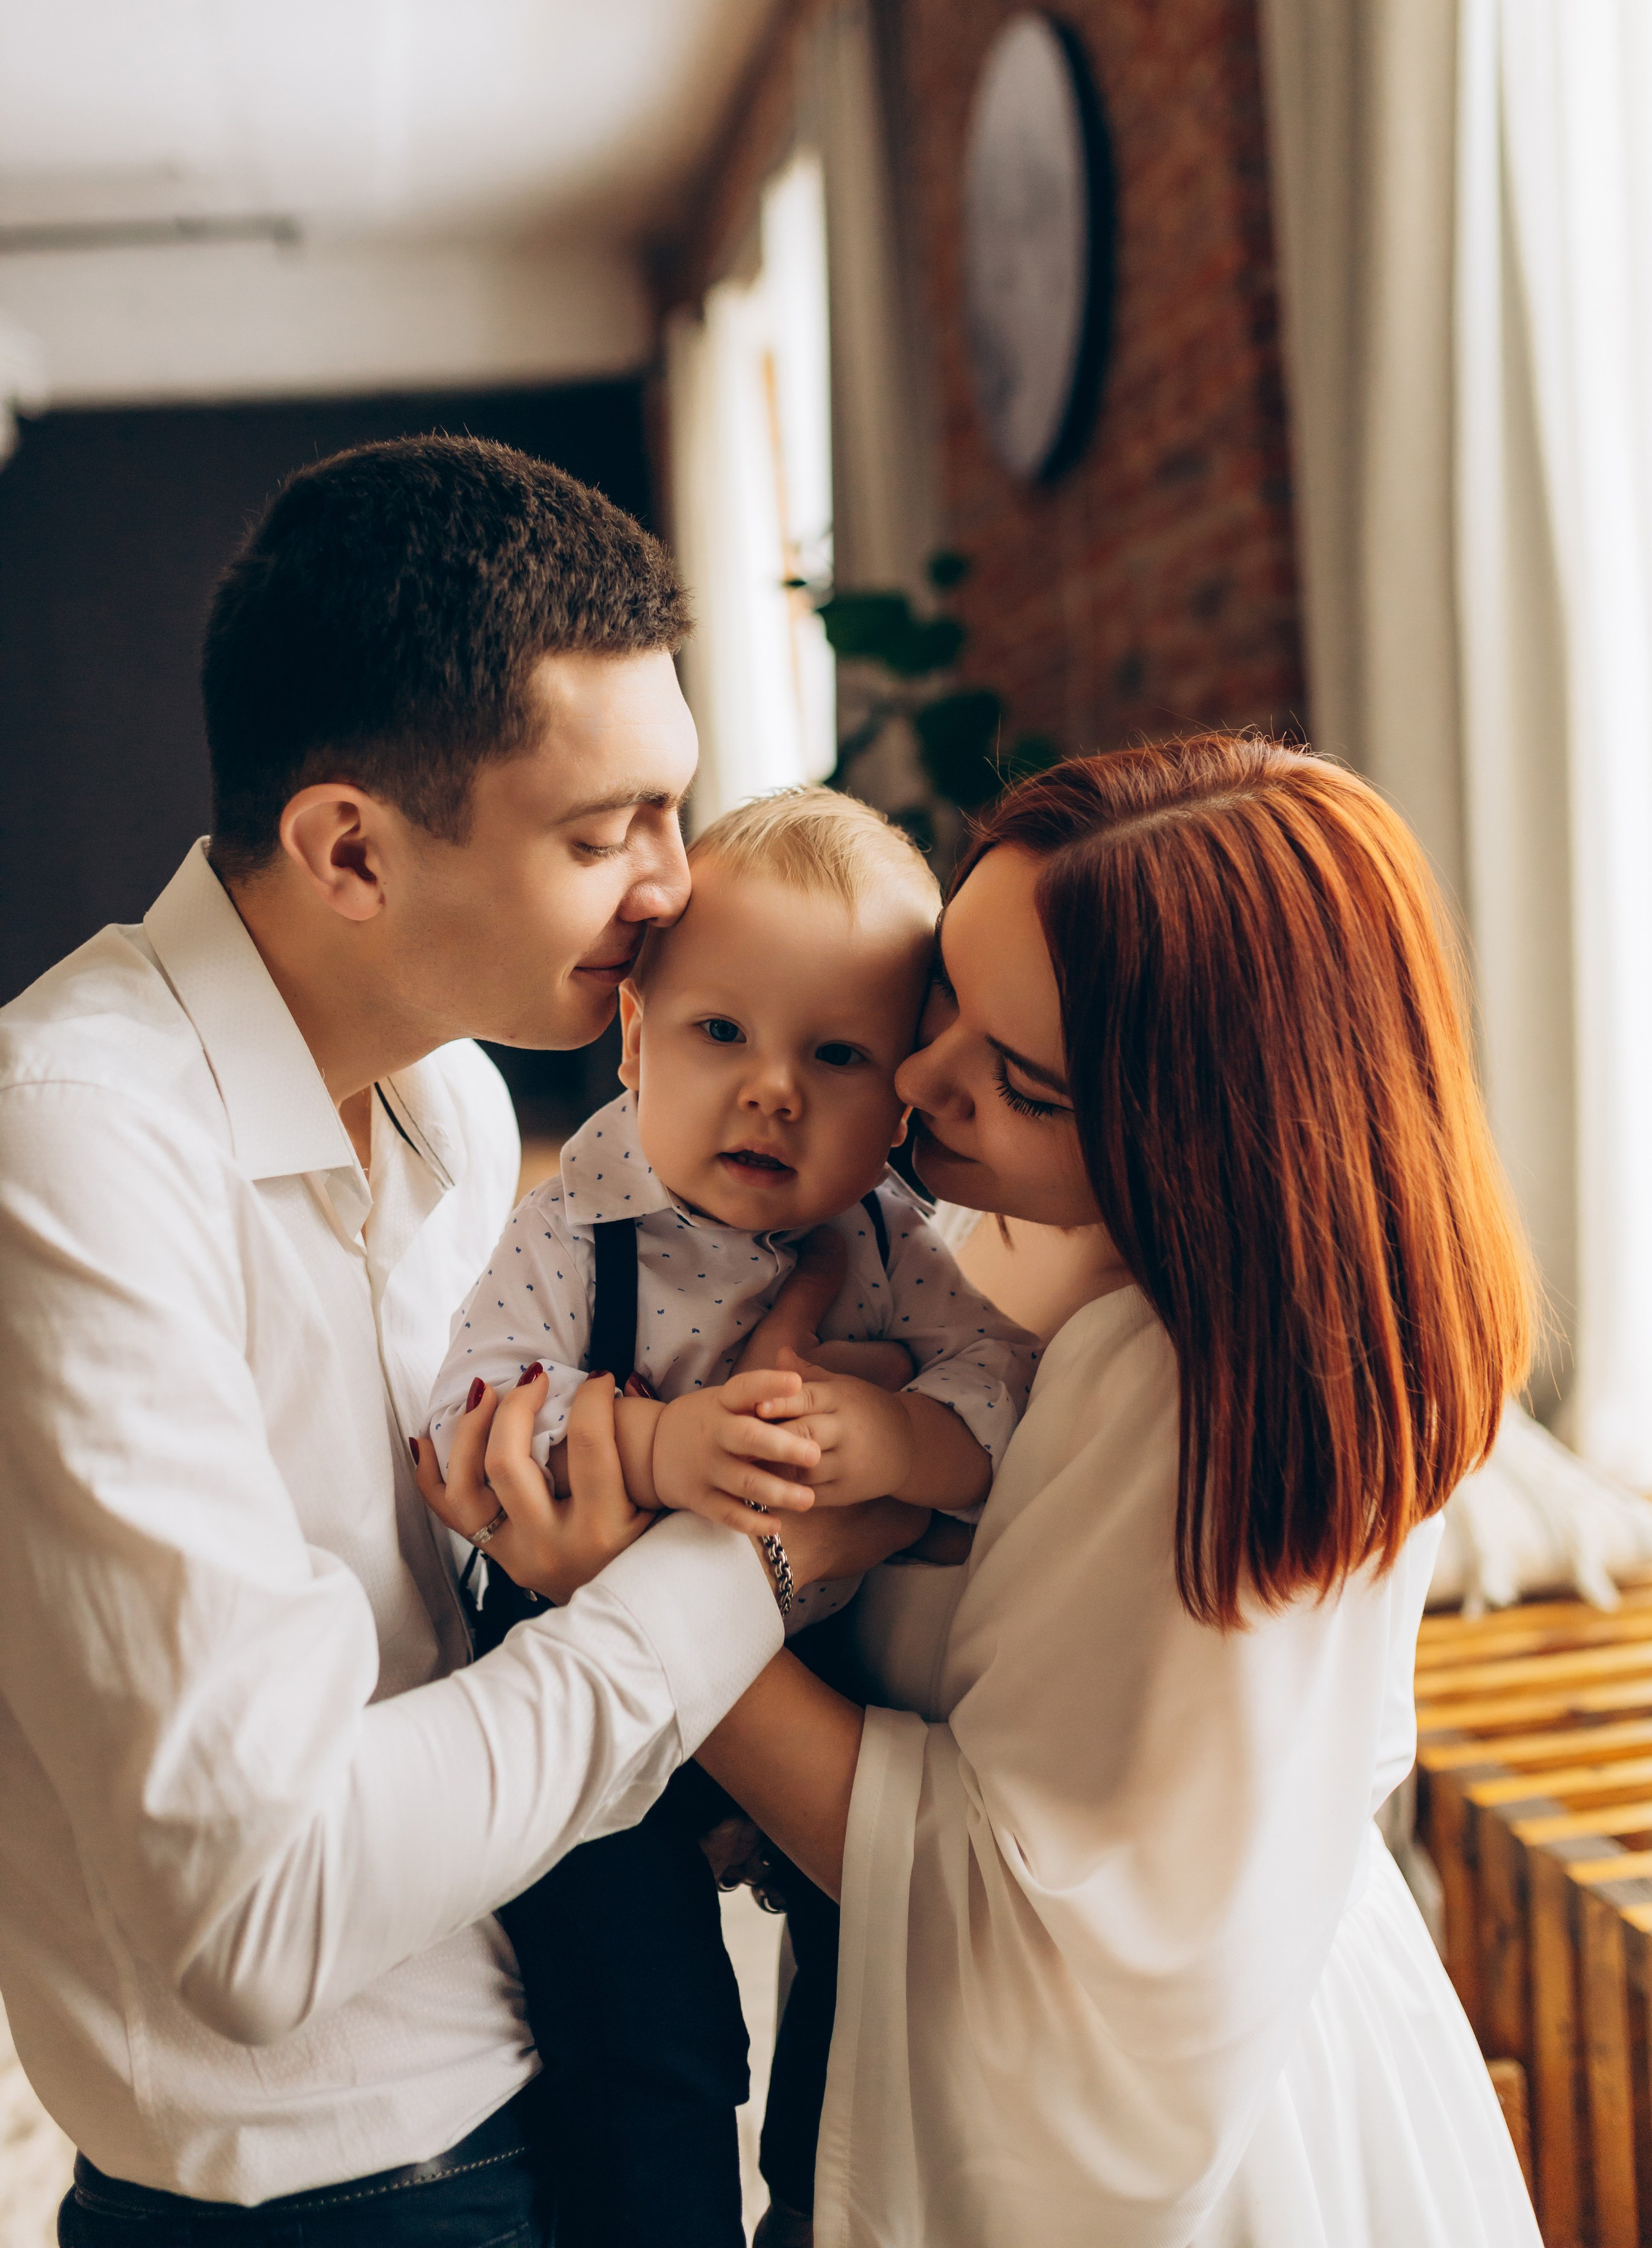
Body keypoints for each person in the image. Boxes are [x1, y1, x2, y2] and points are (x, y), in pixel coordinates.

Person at [0, 435, 914, 2247]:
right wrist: (755, 1555)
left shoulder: (461, 1105)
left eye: (679, 806)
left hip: (589, 2067)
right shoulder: (74, 1150)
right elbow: (261, 1919)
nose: (675, 886)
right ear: (351, 846)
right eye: (607, 832)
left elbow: (494, 1596)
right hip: (343, 2200)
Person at [687, 736, 1541, 2247]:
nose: (915, 1073)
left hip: (1190, 2130)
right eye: (943, 982)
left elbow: (1029, 1932)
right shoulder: (959, 1218)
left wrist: (634, 1619)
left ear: (1197, 1142)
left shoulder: (1186, 1379)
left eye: (1020, 1083)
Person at [416, 786, 1034, 2246]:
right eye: (718, 1034)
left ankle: (813, 2208)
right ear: (633, 1039)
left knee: (864, 1989)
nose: (772, 1091)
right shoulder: (582, 1219)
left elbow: (998, 1400)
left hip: (799, 1683)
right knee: (653, 2052)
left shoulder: (889, 1243)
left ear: (897, 1096)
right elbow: (464, 1416)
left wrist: (898, 1435)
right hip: (587, 1694)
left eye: (834, 1055)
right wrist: (646, 1440)